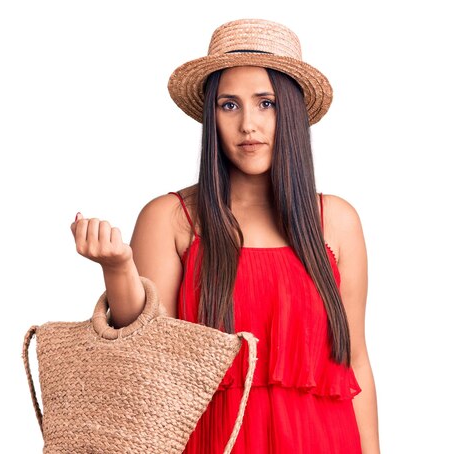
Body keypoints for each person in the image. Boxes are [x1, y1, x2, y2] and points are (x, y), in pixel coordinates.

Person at [70, 18, 379, 454]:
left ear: (290, 112)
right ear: (211, 116)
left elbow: (356, 363)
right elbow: (146, 347)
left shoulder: (336, 220)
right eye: (229, 105)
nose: (248, 124)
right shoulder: (172, 218)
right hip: (215, 442)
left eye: (266, 103)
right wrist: (118, 269)